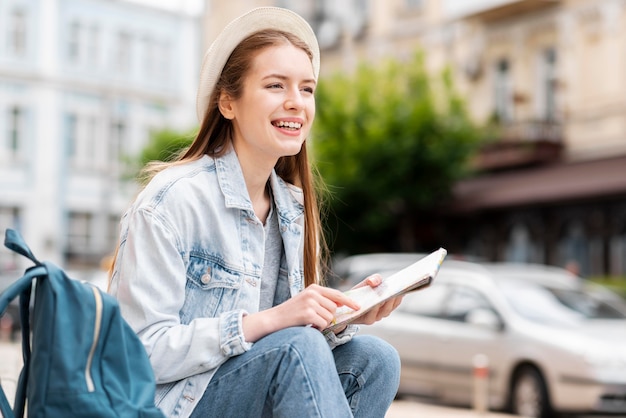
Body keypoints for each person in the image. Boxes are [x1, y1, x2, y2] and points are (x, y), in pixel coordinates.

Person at [109, 7, 402, 418]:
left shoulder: (292, 210)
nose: (296, 103)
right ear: (228, 102)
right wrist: (268, 321)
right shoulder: (172, 201)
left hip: (244, 392)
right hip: (171, 407)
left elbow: (292, 341)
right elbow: (137, 351)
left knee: (374, 359)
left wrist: (342, 313)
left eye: (307, 89)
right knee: (296, 347)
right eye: (275, 85)